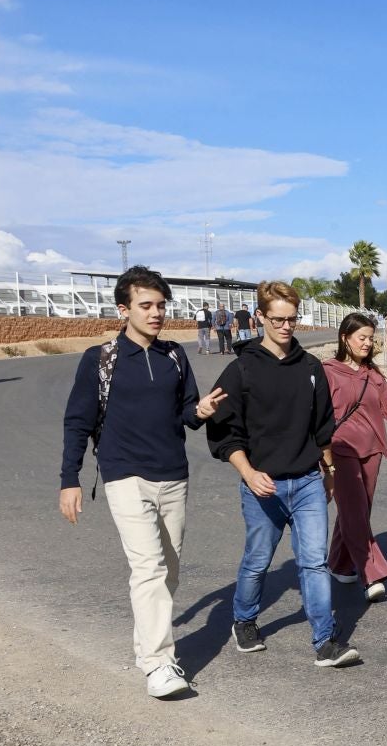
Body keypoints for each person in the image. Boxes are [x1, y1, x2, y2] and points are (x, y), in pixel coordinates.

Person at [58, 266, 226, 698]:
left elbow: (187, 415)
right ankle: (158, 664)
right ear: (124, 309)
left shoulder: (174, 356)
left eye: (161, 305)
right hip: (123, 474)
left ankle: (145, 647)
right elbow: (78, 421)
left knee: (167, 571)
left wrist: (201, 411)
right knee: (148, 567)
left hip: (172, 475)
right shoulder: (102, 359)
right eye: (146, 306)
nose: (156, 314)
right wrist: (69, 479)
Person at [207, 281, 354, 664]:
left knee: (314, 561)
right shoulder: (240, 369)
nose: (287, 327)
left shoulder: (310, 368)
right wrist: (249, 472)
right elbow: (225, 433)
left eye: (292, 319)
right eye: (278, 320)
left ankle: (325, 641)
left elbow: (324, 427)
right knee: (258, 560)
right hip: (262, 486)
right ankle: (244, 620)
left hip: (307, 480)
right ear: (260, 317)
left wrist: (330, 473)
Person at [323, 312, 387, 604]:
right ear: (344, 338)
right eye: (361, 338)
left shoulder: (372, 374)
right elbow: (317, 411)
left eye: (370, 338)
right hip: (340, 449)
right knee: (355, 512)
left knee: (357, 510)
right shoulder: (328, 371)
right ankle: (371, 573)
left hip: (372, 449)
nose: (367, 344)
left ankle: (339, 564)